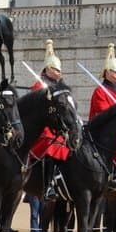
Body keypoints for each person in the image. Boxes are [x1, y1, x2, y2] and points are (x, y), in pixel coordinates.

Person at [88, 44, 116, 232]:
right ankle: (99, 227)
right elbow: (103, 114)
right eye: (113, 71)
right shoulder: (100, 91)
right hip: (104, 140)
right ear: (106, 72)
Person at [29, 39, 69, 201]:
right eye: (55, 70)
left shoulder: (59, 88)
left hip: (58, 128)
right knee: (51, 146)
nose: (59, 73)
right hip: (43, 130)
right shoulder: (39, 86)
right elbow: (36, 109)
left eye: (59, 70)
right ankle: (48, 186)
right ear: (47, 69)